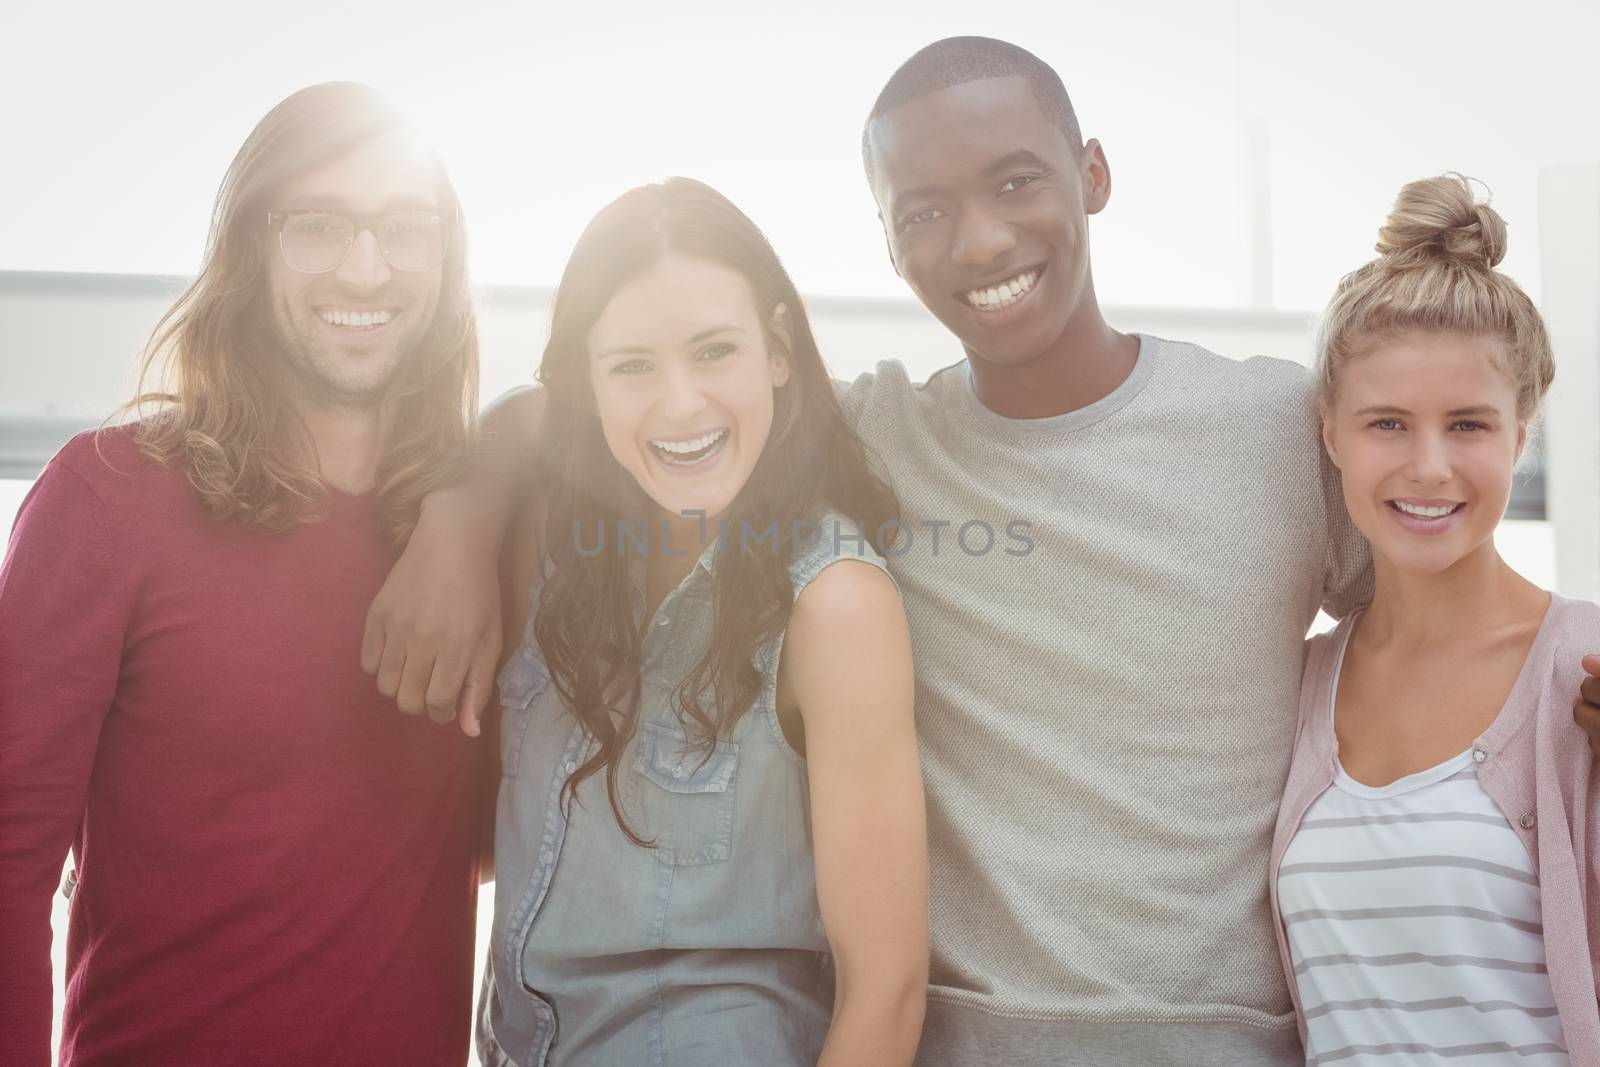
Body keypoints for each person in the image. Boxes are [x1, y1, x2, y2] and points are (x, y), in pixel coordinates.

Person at [365, 37, 1600, 1065]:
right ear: (888, 243)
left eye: (1016, 182)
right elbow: (618, 395)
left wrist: (1574, 684)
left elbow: (1439, 591)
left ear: (1093, 174)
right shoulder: (876, 436)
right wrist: (461, 515)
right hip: (957, 1039)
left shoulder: (1275, 427)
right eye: (925, 211)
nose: (979, 241)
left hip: (1221, 1038)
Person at [0, 83, 486, 1066]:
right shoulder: (106, 498)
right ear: (250, 248)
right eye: (318, 225)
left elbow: (483, 842)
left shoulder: (481, 541)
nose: (366, 265)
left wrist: (480, 502)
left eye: (404, 228)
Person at [476, 178, 927, 1067]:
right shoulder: (551, 550)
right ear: (588, 382)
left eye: (715, 351)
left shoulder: (833, 601)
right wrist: (454, 526)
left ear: (778, 352)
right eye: (633, 365)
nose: (679, 405)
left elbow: (889, 990)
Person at [1270, 175, 1599, 1064]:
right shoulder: (1303, 686)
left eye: (1468, 425)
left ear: (1519, 435)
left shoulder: (1583, 671)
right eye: (1387, 423)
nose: (1429, 466)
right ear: (1331, 433)